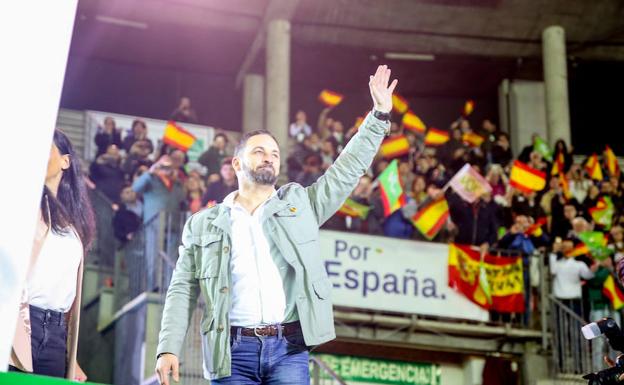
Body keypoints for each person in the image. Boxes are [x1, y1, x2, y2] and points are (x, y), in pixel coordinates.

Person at [155, 65, 397, 385]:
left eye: (274, 153)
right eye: (259, 151)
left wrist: (378, 116)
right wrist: (167, 347)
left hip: (289, 348)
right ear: (237, 163)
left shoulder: (301, 207)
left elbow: (346, 170)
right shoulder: (204, 225)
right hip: (231, 352)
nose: (269, 157)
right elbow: (182, 288)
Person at [10, 130, 93, 381]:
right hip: (19, 325)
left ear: (65, 161)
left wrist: (71, 357)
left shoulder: (73, 225)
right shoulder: (21, 205)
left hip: (56, 335)